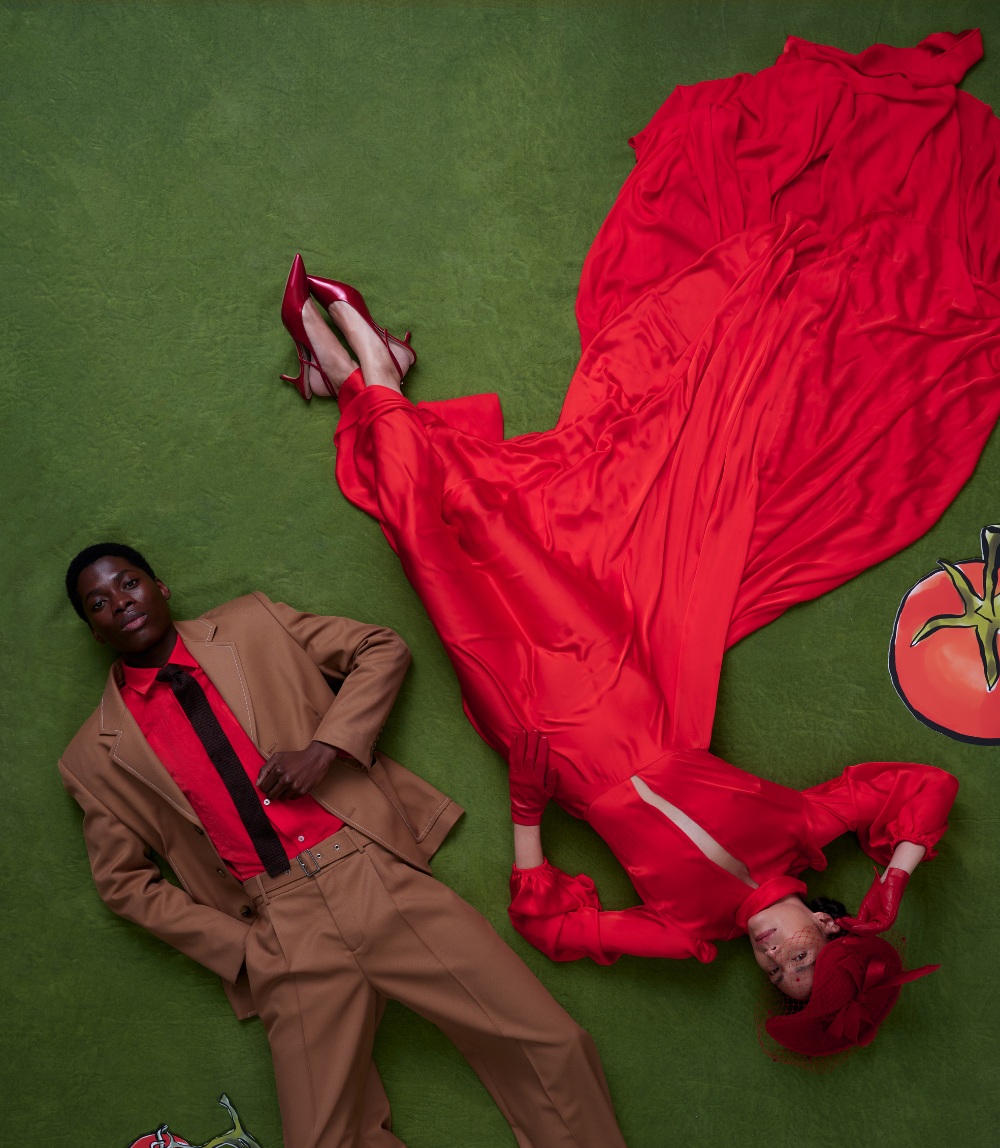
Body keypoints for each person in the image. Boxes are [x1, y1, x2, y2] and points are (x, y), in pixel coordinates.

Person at [277, 29, 997, 1051]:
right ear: (830, 919)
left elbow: (550, 925)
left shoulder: (690, 932)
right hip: (615, 668)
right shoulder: (799, 828)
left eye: (783, 982)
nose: (781, 964)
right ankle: (363, 371)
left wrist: (529, 808)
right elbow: (923, 788)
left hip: (532, 727)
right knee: (478, 516)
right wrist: (893, 881)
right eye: (807, 956)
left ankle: (358, 369)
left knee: (422, 543)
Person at [59, 545, 679, 1148]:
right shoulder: (92, 755)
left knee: (544, 1041)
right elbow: (125, 883)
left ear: (159, 586)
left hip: (368, 869)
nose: (119, 605)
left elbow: (382, 648)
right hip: (276, 927)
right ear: (95, 628)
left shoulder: (256, 621)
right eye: (99, 605)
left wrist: (330, 745)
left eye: (127, 585)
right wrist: (242, 951)